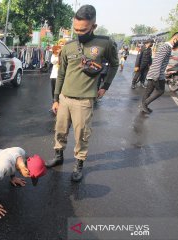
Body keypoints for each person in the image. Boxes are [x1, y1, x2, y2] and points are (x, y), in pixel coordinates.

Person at [45, 5, 119, 182]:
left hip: (84, 100)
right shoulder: (69, 46)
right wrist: (56, 99)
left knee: (81, 135)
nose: (79, 33)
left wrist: (105, 86)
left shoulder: (104, 44)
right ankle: (58, 156)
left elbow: (114, 64)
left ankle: (79, 164)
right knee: (60, 130)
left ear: (93, 26)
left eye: (83, 30)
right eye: (76, 29)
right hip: (64, 98)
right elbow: (61, 73)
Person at [141, 32, 178, 114]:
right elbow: (158, 61)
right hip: (157, 74)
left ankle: (144, 106)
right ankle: (144, 104)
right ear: (175, 39)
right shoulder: (166, 47)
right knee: (160, 91)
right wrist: (156, 75)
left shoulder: (166, 47)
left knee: (149, 91)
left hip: (154, 72)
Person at [49, 39, 66, 104]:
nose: (61, 45)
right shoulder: (55, 53)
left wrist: (62, 54)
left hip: (62, 76)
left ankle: (60, 104)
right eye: (60, 44)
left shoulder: (66, 53)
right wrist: (58, 54)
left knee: (60, 91)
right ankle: (54, 104)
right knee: (53, 90)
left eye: (63, 44)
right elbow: (53, 61)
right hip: (54, 75)